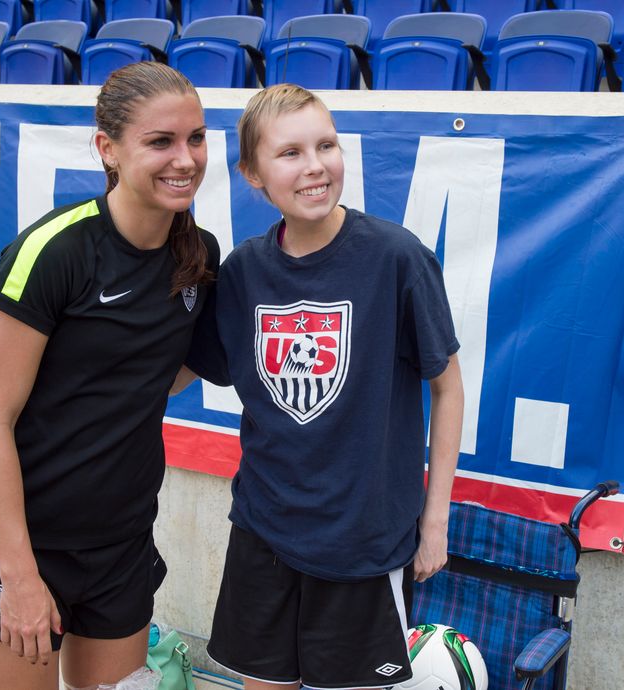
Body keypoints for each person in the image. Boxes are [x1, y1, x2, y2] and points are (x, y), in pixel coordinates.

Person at [183, 84, 464, 689]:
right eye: (290, 153)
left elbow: (448, 389)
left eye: (326, 146)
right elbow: (183, 370)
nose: (315, 166)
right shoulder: (243, 272)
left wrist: (434, 521)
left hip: (363, 543)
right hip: (263, 532)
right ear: (252, 173)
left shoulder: (396, 258)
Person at [0, 62, 219, 690]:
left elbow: (159, 374)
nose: (185, 159)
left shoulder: (198, 254)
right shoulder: (53, 251)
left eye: (197, 138)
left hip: (121, 542)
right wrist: (19, 575)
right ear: (108, 149)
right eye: (161, 141)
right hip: (23, 543)